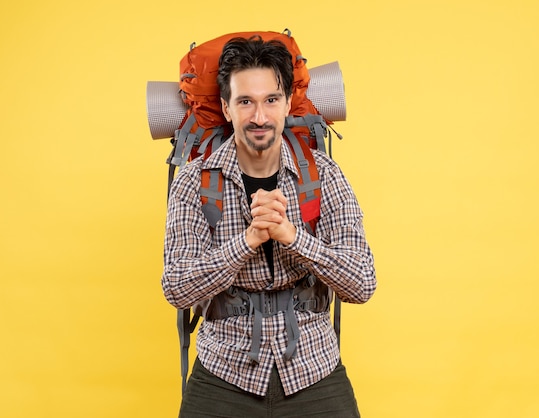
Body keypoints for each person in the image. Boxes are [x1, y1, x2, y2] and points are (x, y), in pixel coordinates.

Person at [161, 35, 377, 417]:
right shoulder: (194, 182)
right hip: (223, 373)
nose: (259, 117)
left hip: (314, 370)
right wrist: (248, 240)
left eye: (271, 100)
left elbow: (362, 283)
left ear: (288, 103)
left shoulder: (323, 176)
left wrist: (292, 237)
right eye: (245, 101)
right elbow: (176, 286)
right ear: (226, 107)